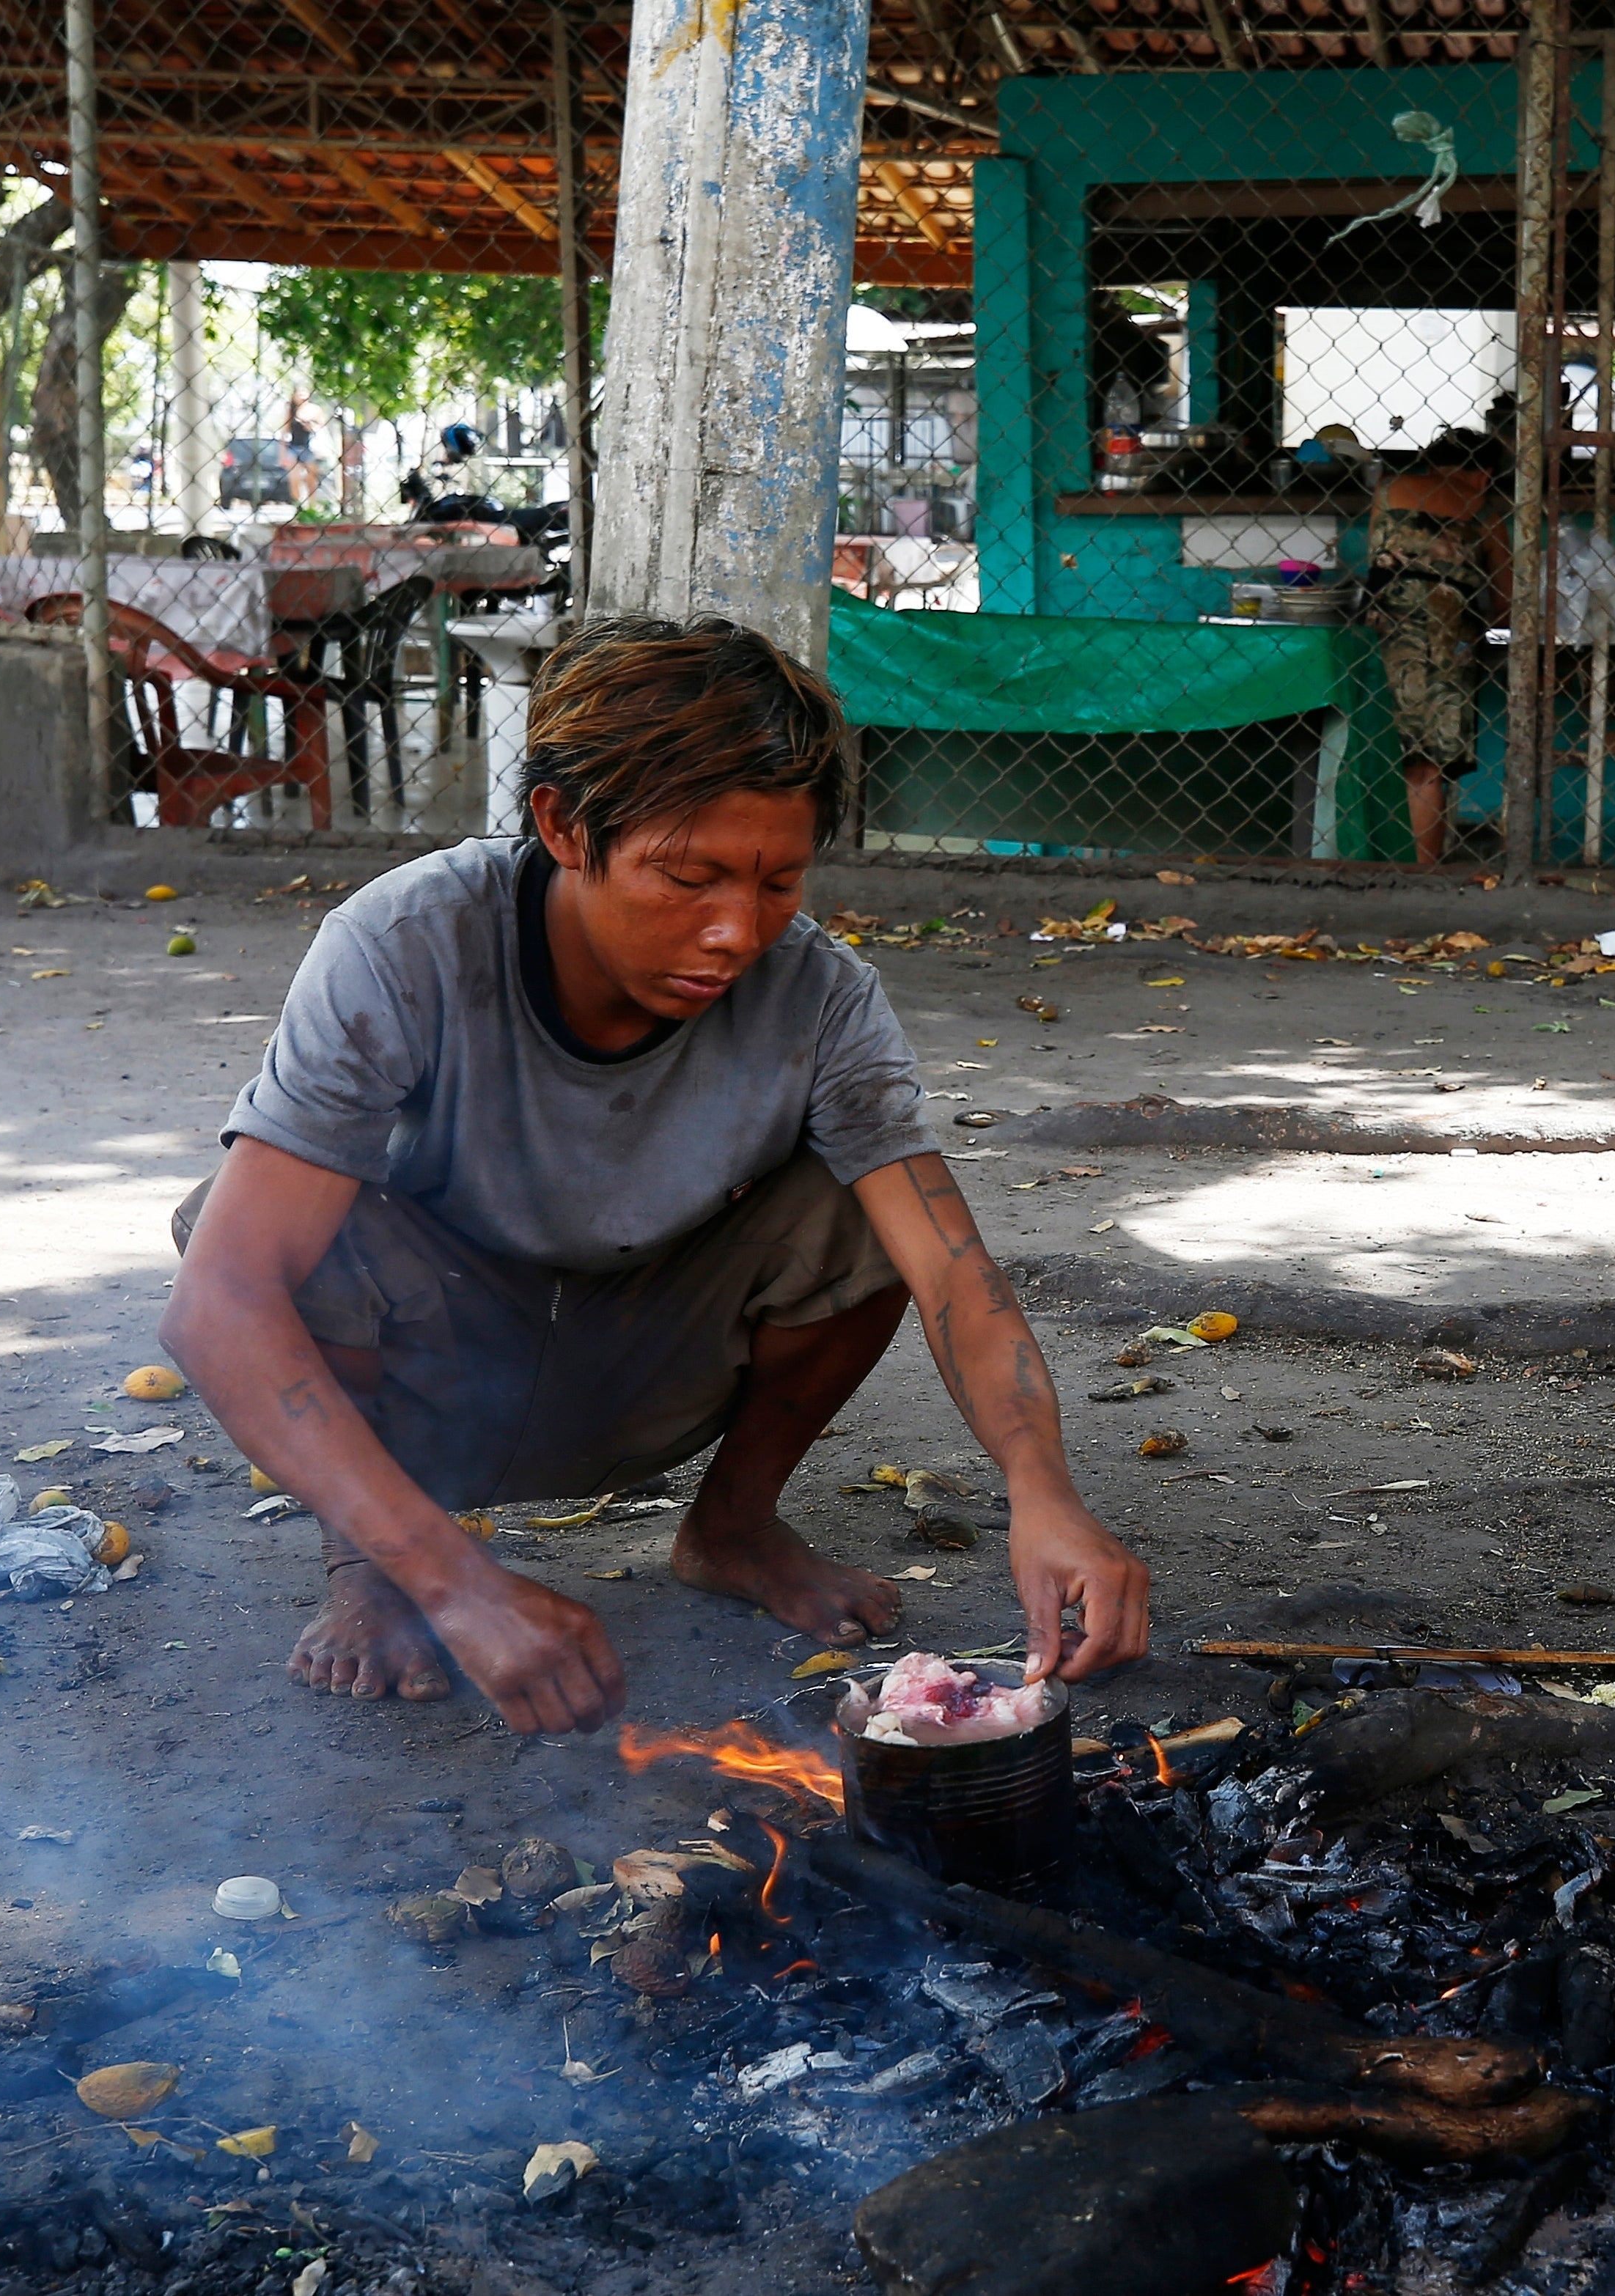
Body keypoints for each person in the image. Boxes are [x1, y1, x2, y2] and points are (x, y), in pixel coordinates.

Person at [161, 616, 1152, 1735]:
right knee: (246, 1229)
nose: (737, 931)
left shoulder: (819, 998)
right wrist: (458, 1583)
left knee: (871, 1211)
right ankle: (375, 1566)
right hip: (436, 1383)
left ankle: (730, 1527)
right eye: (688, 877)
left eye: (779, 882)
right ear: (561, 826)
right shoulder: (404, 944)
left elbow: (956, 1277)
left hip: (645, 1378)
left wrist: (1044, 1491)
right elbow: (217, 1307)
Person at [1363, 427, 1508, 865]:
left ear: (1431, 464)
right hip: (1448, 642)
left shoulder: (1389, 491)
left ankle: (1366, 860)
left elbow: (1377, 563)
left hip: (1381, 633)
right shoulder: (1486, 512)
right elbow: (1506, 605)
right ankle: (1422, 876)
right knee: (1425, 770)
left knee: (1377, 754)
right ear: (1484, 474)